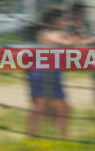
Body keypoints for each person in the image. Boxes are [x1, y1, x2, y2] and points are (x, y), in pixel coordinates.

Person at [27, 7, 74, 136]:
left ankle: (57, 135)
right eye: (63, 18)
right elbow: (62, 42)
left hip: (48, 73)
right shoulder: (47, 32)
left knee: (52, 107)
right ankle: (60, 135)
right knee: (47, 106)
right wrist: (74, 40)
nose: (65, 21)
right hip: (44, 73)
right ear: (55, 19)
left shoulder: (53, 31)